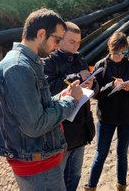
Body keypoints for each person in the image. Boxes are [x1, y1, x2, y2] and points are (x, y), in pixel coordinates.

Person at [0, 8, 84, 191]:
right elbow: (35, 125)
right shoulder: (19, 67)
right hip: (38, 166)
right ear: (42, 34)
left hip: (39, 161)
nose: (58, 45)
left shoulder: (26, 63)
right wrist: (70, 101)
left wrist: (61, 96)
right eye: (57, 39)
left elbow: (37, 106)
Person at [43, 22, 97, 191]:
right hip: (61, 132)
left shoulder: (80, 58)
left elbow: (92, 87)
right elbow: (49, 89)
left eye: (78, 42)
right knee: (58, 181)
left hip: (81, 130)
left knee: (75, 177)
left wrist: (92, 85)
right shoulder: (49, 61)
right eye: (71, 41)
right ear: (60, 40)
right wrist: (77, 77)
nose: (76, 46)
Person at [84, 32, 129, 191]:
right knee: (100, 154)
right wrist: (111, 86)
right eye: (116, 52)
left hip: (127, 116)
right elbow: (95, 94)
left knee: (122, 155)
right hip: (106, 117)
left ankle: (121, 185)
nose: (119, 56)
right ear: (110, 49)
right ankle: (91, 186)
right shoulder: (101, 65)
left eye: (123, 52)